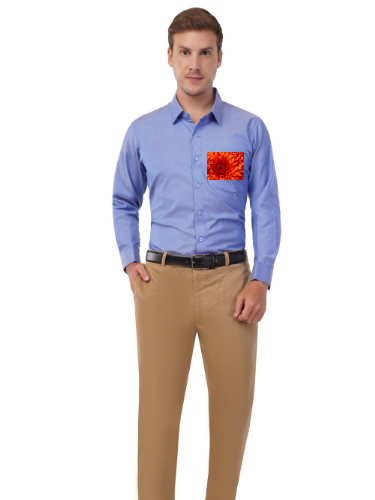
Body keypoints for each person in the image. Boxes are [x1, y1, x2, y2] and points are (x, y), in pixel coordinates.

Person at [112, 7, 281, 500]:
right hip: (160, 283)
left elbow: (265, 207)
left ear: (220, 58)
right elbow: (124, 200)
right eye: (184, 52)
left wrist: (261, 278)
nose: (194, 63)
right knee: (158, 413)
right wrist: (129, 260)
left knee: (232, 411)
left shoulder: (247, 130)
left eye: (205, 52)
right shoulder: (143, 131)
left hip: (232, 285)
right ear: (168, 56)